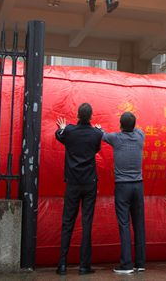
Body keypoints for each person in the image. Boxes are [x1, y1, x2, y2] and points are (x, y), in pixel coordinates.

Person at [55, 103, 103, 276]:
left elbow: (58, 135)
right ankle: (84, 266)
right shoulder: (96, 134)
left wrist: (62, 128)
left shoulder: (69, 131)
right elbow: (97, 147)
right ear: (91, 116)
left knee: (67, 222)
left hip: (73, 183)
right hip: (89, 182)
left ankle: (62, 264)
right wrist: (98, 130)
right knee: (87, 223)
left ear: (77, 115)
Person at [100, 112, 146, 274]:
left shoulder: (116, 138)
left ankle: (126, 264)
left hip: (122, 186)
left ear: (120, 125)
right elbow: (138, 129)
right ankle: (140, 263)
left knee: (124, 224)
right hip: (138, 186)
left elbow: (102, 135)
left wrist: (99, 128)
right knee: (139, 224)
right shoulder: (140, 136)